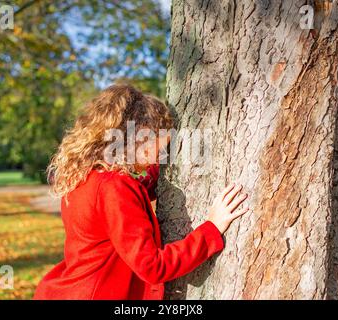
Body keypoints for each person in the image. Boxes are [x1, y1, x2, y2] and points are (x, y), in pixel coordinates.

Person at [33, 84, 249, 300]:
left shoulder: (85, 177)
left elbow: (134, 193)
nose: (159, 158)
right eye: (159, 148)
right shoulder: (113, 187)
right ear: (140, 139)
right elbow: (152, 266)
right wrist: (211, 229)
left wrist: (162, 176)